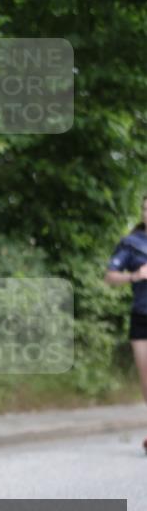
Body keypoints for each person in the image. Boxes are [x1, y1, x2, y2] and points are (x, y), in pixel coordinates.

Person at [104, 194, 147, 453]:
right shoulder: (131, 244)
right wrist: (135, 275)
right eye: (145, 208)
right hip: (142, 317)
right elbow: (110, 277)